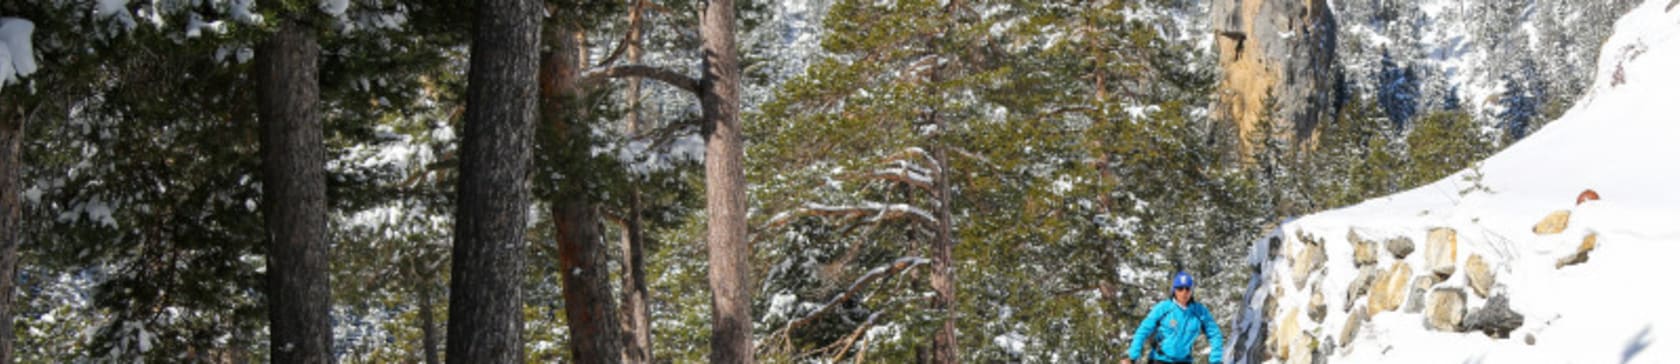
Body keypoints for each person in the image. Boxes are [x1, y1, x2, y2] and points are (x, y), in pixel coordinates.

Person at [1122, 271, 1223, 364]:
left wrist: (1215, 360)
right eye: (1180, 288)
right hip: (1160, 359)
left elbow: (1214, 334)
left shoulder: (1199, 311)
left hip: (1184, 360)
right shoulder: (1163, 308)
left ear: (1192, 291)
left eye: (1187, 289)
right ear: (1174, 290)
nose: (1184, 292)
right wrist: (1133, 357)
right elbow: (1143, 330)